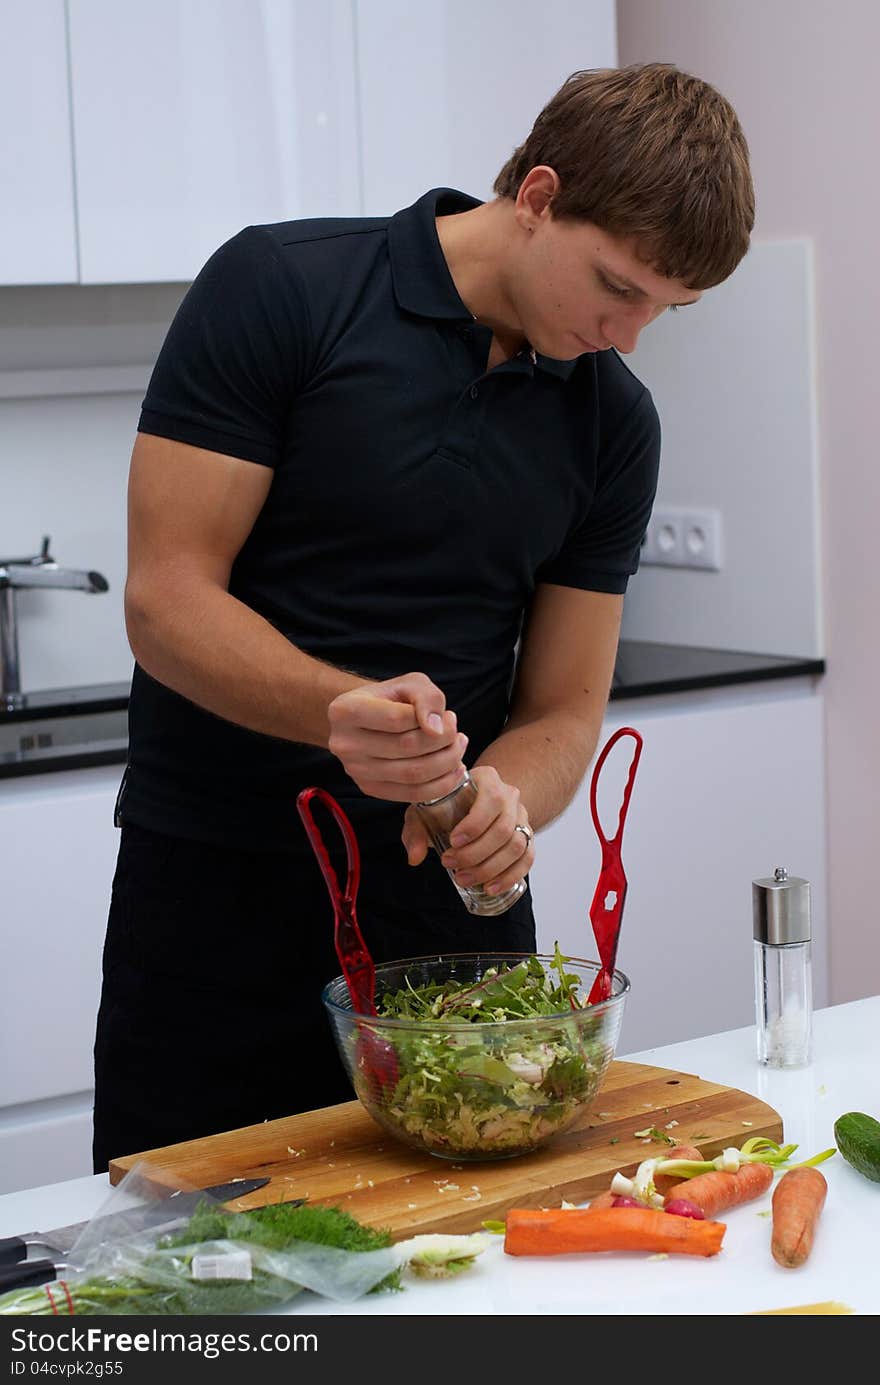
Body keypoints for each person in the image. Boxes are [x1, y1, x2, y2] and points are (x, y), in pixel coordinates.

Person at [92, 62, 754, 1170]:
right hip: (215, 898)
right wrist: (335, 709)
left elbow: (559, 707)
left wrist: (507, 798)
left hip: (455, 919)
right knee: (181, 1280)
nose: (630, 335)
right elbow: (165, 600)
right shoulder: (283, 287)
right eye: (616, 287)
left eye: (664, 311)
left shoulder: (613, 422)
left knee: (469, 1272)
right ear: (536, 195)